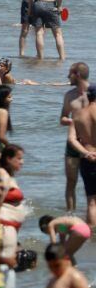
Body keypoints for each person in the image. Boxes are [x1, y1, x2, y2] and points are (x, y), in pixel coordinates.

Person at [61, 63, 90, 214]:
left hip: (91, 143)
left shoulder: (93, 93)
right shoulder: (69, 95)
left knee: (90, 185)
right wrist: (74, 121)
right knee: (71, 182)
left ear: (77, 75)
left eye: (70, 74)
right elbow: (62, 118)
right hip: (73, 142)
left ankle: (90, 215)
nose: (67, 77)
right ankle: (70, 214)